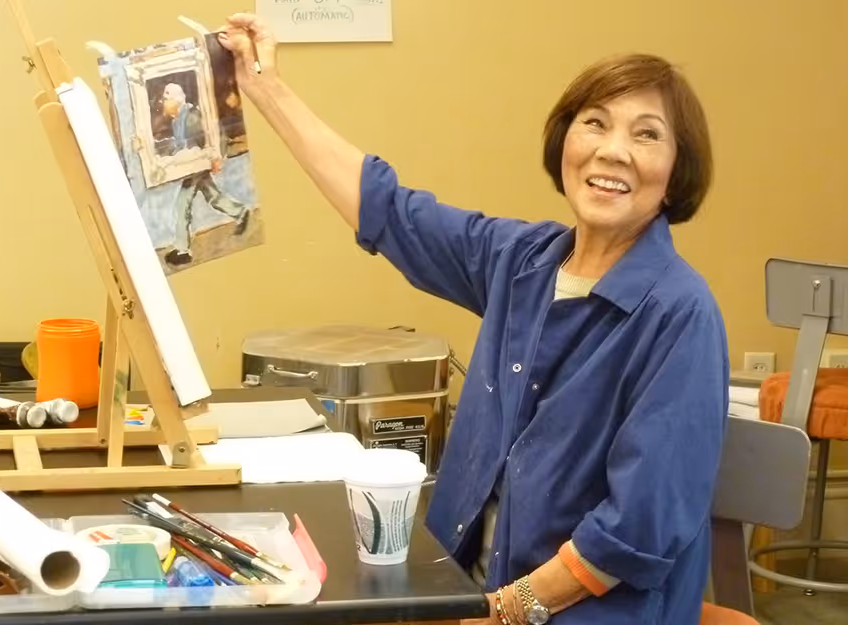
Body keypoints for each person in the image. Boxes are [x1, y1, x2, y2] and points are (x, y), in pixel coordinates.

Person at [219, 14, 729, 625]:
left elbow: (636, 529)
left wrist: (507, 610)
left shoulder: (681, 313)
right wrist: (266, 88)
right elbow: (389, 210)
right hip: (466, 587)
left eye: (647, 135)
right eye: (594, 122)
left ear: (678, 173)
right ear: (564, 140)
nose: (611, 149)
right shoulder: (524, 261)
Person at [159, 82, 250, 266]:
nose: (164, 102)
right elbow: (183, 145)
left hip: (197, 165)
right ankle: (240, 211)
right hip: (194, 165)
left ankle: (183, 250)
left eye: (166, 98)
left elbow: (203, 142)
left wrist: (217, 158)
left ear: (176, 100)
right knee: (212, 195)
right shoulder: (178, 119)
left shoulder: (190, 118)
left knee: (182, 204)